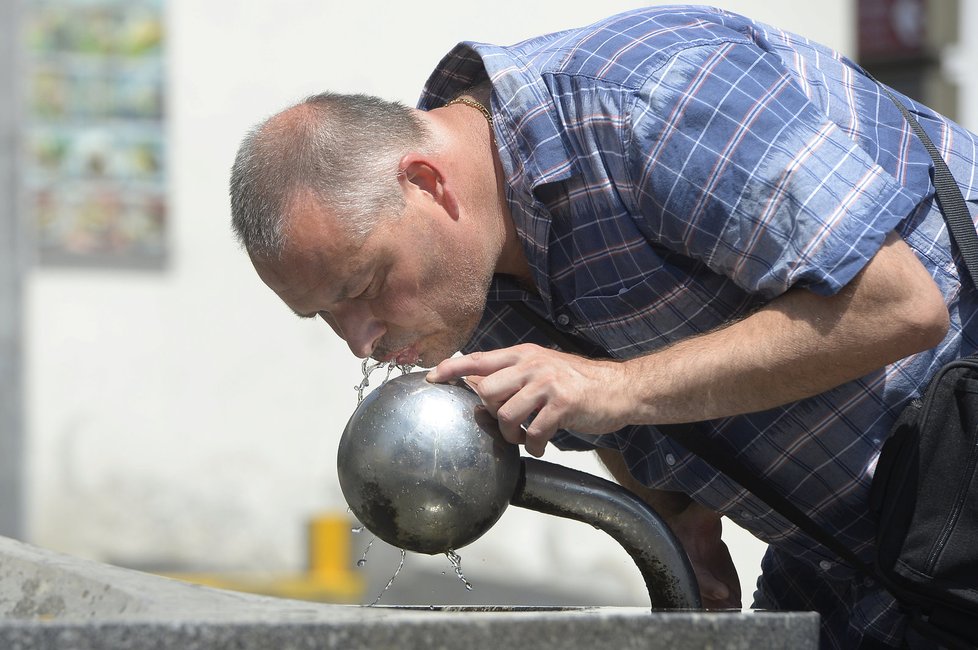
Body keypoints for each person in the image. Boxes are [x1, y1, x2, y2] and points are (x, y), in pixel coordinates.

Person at [229, 6, 978, 648]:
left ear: (427, 184)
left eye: (362, 287)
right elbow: (624, 407)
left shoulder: (650, 99)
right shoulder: (471, 282)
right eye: (323, 313)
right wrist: (673, 515)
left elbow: (898, 306)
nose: (359, 339)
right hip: (864, 568)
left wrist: (616, 388)